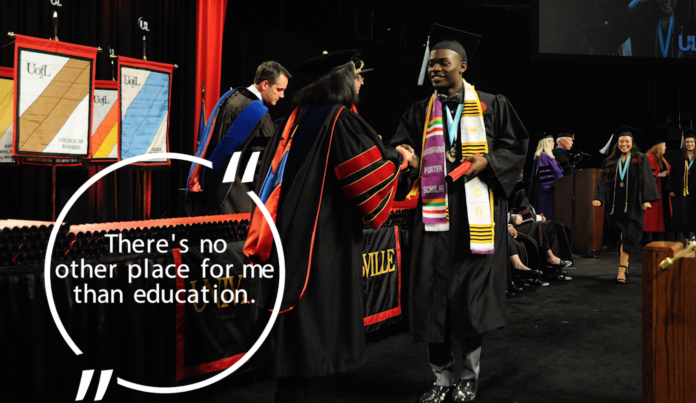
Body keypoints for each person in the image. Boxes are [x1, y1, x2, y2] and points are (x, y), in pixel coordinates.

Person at [243, 50, 415, 403]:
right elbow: (366, 175)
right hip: (319, 236)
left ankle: (291, 390)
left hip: (287, 229)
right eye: (356, 75)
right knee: (310, 317)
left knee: (295, 322)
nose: (361, 81)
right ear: (340, 81)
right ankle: (292, 394)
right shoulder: (338, 119)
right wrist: (401, 159)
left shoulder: (296, 116)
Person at [391, 26, 528, 402]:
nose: (434, 69)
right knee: (432, 299)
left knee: (471, 302)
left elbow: (516, 146)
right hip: (434, 220)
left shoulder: (491, 104)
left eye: (442, 63)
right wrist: (408, 155)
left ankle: (469, 377)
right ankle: (441, 378)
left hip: (476, 219)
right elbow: (398, 144)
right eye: (432, 64)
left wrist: (487, 160)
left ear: (462, 66)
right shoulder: (420, 110)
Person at [186, 61, 291, 215]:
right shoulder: (259, 114)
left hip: (213, 188)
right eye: (279, 90)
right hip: (237, 197)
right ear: (265, 84)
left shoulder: (231, 98)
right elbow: (258, 165)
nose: (282, 95)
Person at [593, 125, 660, 283]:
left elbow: (646, 179)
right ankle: (625, 261)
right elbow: (602, 181)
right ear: (617, 143)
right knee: (619, 236)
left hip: (634, 205)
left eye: (627, 141)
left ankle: (621, 268)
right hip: (615, 205)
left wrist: (646, 200)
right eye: (621, 141)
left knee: (628, 235)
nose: (624, 144)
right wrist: (599, 197)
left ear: (632, 142)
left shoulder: (640, 158)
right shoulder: (609, 161)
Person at [668, 129, 696, 243]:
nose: (690, 144)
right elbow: (672, 174)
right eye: (687, 142)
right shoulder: (678, 158)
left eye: (692, 142)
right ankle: (686, 239)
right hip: (682, 192)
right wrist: (671, 189)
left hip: (695, 192)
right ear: (684, 144)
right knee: (683, 215)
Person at [529, 133, 564, 221]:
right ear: (546, 143)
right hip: (547, 194)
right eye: (552, 141)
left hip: (552, 191)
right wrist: (556, 184)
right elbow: (546, 179)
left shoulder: (547, 157)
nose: (554, 144)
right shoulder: (544, 156)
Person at [644, 137, 672, 237]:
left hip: (663, 192)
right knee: (653, 219)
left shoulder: (662, 159)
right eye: (664, 145)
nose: (665, 147)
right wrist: (659, 175)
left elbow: (669, 171)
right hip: (654, 193)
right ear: (659, 147)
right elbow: (645, 174)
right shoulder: (649, 157)